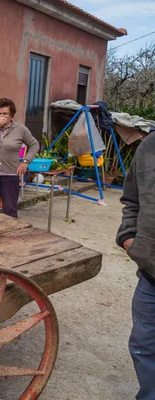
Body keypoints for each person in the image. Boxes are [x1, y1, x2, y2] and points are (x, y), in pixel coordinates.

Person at [116, 132, 155, 400]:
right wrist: (129, 237)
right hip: (151, 275)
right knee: (143, 346)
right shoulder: (149, 146)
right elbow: (132, 199)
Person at [0, 97, 39, 218]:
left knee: (10, 210)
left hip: (9, 176)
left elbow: (34, 145)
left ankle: (10, 236)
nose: (2, 116)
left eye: (5, 113)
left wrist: (25, 162)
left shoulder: (20, 129)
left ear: (11, 115)